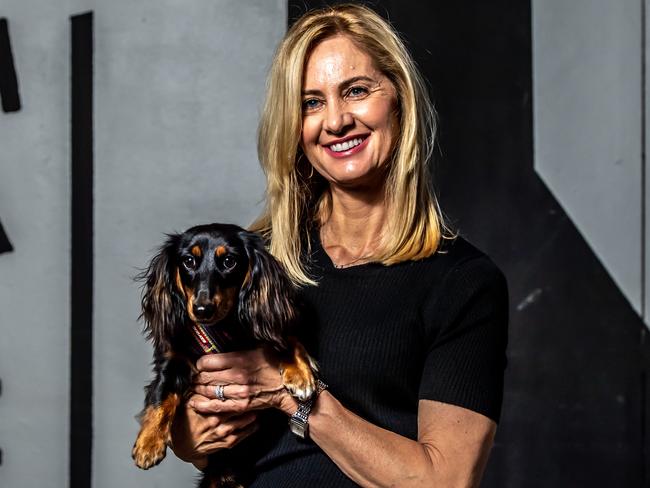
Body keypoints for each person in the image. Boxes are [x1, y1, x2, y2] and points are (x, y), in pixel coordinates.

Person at [170, 4, 508, 487]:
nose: (336, 121)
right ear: (295, 127)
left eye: (356, 91)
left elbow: (446, 481)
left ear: (400, 100)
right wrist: (190, 433)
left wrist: (292, 394)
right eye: (311, 102)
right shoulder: (256, 261)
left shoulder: (463, 283)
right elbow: (196, 433)